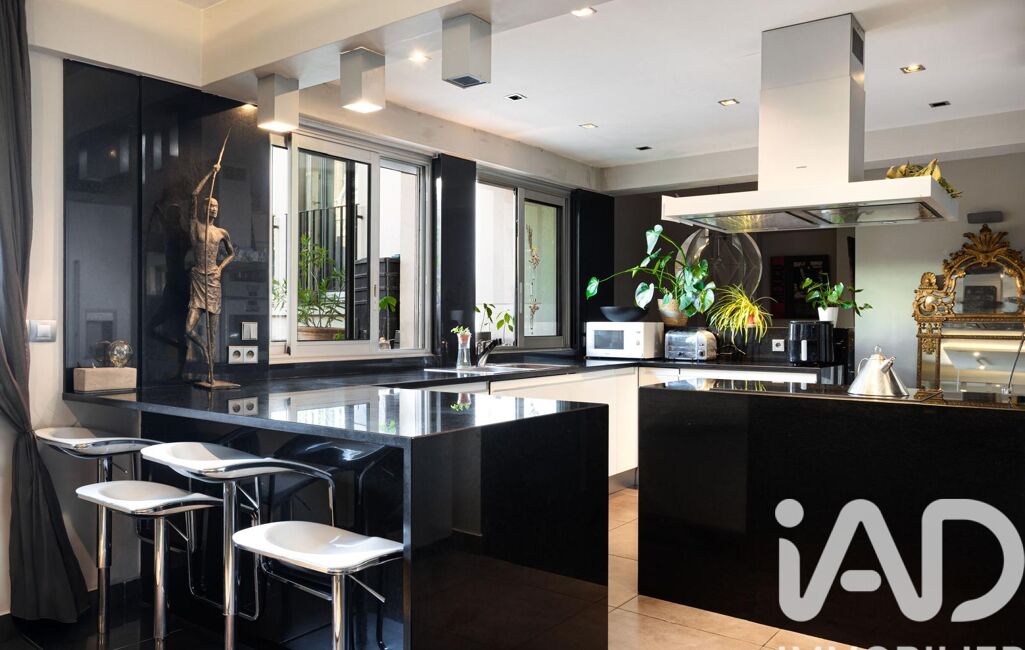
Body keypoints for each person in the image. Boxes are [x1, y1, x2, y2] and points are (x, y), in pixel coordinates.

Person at [184, 162, 235, 366]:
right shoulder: (195, 225)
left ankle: (211, 367)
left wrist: (221, 268)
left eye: (216, 206)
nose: (213, 209)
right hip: (198, 279)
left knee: (213, 331)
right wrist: (210, 172)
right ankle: (203, 346)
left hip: (213, 280)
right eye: (210, 205)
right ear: (204, 207)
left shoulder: (221, 233)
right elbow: (193, 195)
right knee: (188, 328)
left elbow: (231, 253)